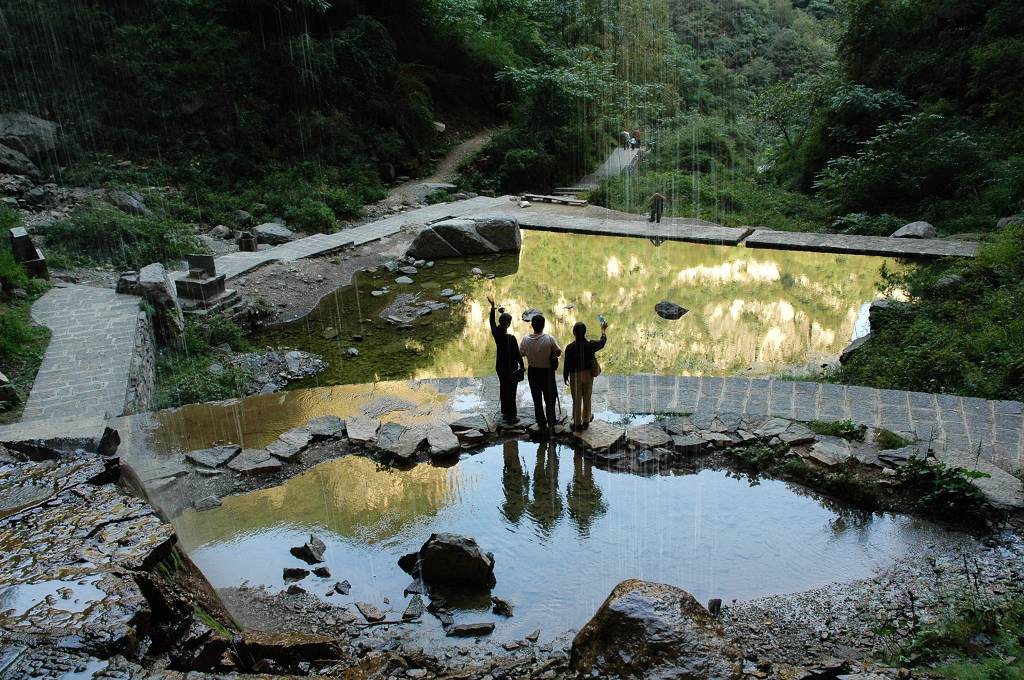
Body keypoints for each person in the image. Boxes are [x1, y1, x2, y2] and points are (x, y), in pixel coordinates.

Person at [562, 320, 607, 430]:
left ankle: (577, 424)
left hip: (575, 375)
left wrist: (565, 376)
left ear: (574, 332)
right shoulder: (590, 345)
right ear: (585, 332)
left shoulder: (570, 347)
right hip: (588, 374)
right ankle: (586, 420)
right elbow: (602, 342)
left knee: (576, 400)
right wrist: (603, 330)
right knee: (587, 398)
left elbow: (566, 364)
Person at [520, 314, 561, 434]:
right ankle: (551, 420)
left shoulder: (526, 339)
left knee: (536, 398)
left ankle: (541, 421)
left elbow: (521, 353)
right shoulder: (549, 339)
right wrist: (551, 354)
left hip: (533, 372)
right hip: (547, 372)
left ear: (532, 326)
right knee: (550, 398)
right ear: (543, 325)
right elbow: (558, 352)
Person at [488, 296, 525, 423]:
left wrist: (492, 307)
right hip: (511, 368)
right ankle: (512, 416)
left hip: (500, 367)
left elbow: (492, 323)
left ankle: (504, 412)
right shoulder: (511, 338)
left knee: (503, 388)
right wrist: (522, 366)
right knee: (512, 391)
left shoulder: (497, 334)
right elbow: (517, 355)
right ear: (508, 324)